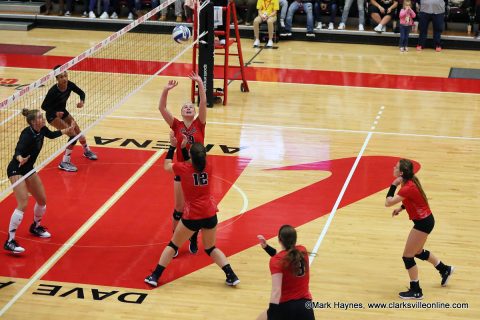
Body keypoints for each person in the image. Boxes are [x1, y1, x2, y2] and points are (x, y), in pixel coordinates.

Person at [144, 140, 240, 287]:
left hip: (193, 216)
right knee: (211, 248)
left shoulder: (183, 168)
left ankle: (155, 276)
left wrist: (172, 146)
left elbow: (166, 165)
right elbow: (193, 162)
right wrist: (183, 148)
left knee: (173, 245)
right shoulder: (209, 167)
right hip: (210, 213)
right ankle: (231, 275)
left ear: (191, 156)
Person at [4, 109, 74, 254]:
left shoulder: (41, 129)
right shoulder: (27, 135)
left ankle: (35, 226)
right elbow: (17, 151)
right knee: (23, 203)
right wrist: (20, 159)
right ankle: (10, 241)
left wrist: (68, 130)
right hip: (16, 169)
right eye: (40, 118)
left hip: (29, 168)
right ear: (34, 122)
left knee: (42, 200)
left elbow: (52, 135)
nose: (43, 119)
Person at [385, 159, 454, 299]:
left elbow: (388, 202)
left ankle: (416, 290)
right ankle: (444, 269)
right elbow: (413, 199)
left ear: (401, 173)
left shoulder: (406, 186)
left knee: (407, 256)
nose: (393, 168)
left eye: (396, 167)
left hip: (423, 223)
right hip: (426, 221)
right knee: (417, 252)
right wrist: (401, 208)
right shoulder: (409, 183)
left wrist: (393, 184)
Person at [158, 72, 206, 255]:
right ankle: (174, 243)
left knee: (193, 208)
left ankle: (193, 238)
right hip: (181, 170)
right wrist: (166, 90)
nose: (188, 108)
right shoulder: (176, 125)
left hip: (198, 171)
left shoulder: (200, 123)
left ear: (194, 112)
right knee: (179, 209)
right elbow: (162, 108)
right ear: (181, 112)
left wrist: (200, 84)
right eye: (185, 107)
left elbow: (202, 103)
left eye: (190, 107)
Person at [41, 65, 98, 173]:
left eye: (65, 76)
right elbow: (44, 106)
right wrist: (55, 113)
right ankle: (64, 162)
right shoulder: (53, 91)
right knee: (72, 135)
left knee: (78, 132)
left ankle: (86, 151)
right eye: (61, 77)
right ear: (57, 79)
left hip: (63, 112)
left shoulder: (70, 85)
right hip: (52, 116)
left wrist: (82, 102)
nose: (65, 79)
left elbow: (82, 93)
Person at [256, 225, 315, 320]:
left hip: (285, 307)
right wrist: (266, 247)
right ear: (295, 239)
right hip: (305, 306)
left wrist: (272, 313)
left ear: (279, 240)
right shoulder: (302, 251)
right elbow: (284, 257)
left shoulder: (276, 261)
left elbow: (276, 292)